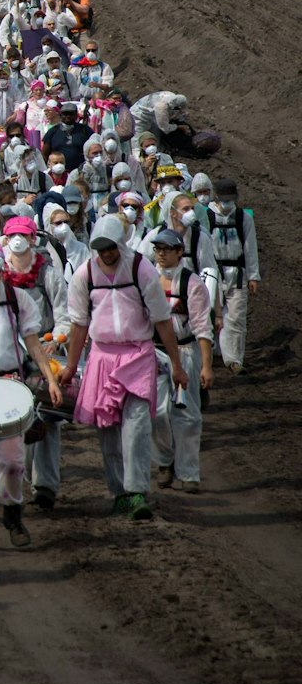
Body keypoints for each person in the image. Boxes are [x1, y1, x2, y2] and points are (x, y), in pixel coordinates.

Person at [60, 215, 185, 521]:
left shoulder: (141, 270)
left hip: (138, 355)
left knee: (137, 424)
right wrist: (72, 366)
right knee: (108, 430)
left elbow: (161, 321)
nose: (106, 255)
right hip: (102, 357)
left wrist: (177, 365)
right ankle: (119, 492)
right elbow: (78, 325)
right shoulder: (84, 276)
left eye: (110, 248)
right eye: (100, 249)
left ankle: (138, 491)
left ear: (121, 243)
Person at [0, 242, 60, 551]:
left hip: (10, 384)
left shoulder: (18, 301)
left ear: (2, 274)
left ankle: (12, 513)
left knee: (12, 461)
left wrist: (50, 380)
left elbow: (32, 343)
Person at [147, 229, 212, 493]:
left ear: (179, 252)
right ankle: (164, 460)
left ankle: (189, 472)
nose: (161, 253)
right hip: (154, 352)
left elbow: (202, 327)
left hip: (185, 352)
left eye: (167, 248)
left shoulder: (192, 283)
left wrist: (206, 365)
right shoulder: (148, 279)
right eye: (158, 248)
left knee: (187, 415)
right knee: (156, 412)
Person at [207, 177, 258, 376]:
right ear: (216, 197)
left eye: (230, 199)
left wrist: (253, 276)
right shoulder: (206, 216)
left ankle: (234, 359)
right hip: (213, 272)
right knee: (210, 315)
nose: (227, 203)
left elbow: (250, 248)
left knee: (236, 317)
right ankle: (209, 352)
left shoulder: (243, 217)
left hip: (237, 273)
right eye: (224, 199)